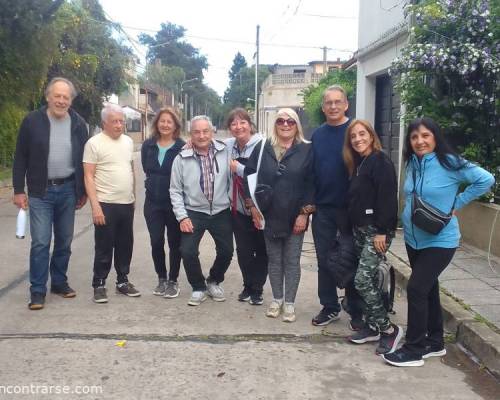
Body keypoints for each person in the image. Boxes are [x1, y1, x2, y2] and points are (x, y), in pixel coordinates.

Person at [383, 117, 494, 367]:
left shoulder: (450, 162)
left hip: (441, 240)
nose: (419, 141)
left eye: (425, 136)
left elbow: (486, 179)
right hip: (414, 239)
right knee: (429, 290)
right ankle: (435, 342)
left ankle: (414, 349)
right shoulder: (412, 162)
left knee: (416, 289)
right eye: (414, 137)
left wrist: (458, 203)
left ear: (435, 137)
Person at [12, 77, 88, 310]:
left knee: (64, 241)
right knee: (41, 242)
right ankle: (37, 290)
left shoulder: (78, 123)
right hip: (39, 191)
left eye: (66, 97)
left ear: (71, 100)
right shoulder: (32, 121)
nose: (61, 101)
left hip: (67, 190)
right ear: (48, 97)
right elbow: (20, 157)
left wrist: (82, 190)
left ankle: (59, 282)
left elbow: (84, 159)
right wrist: (18, 190)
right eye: (57, 96)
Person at [245, 108, 314, 322]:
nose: (285, 125)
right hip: (269, 214)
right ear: (275, 124)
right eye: (281, 121)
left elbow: (312, 184)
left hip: (295, 214)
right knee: (274, 260)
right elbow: (249, 176)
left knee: (292, 260)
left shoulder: (306, 150)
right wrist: (253, 209)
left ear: (296, 125)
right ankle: (276, 299)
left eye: (290, 122)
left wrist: (304, 214)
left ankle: (290, 304)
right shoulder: (263, 147)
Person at [342, 119, 403, 354]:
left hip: (376, 232)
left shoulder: (380, 161)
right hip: (360, 231)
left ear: (371, 135)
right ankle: (372, 326)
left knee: (362, 280)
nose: (358, 139)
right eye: (353, 137)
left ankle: (389, 330)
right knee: (369, 280)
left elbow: (387, 198)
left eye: (362, 134)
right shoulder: (360, 162)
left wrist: (382, 231)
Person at [310, 85, 364, 328]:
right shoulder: (318, 135)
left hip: (351, 210)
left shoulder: (355, 133)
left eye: (337, 102)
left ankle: (355, 309)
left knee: (351, 259)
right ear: (323, 108)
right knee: (324, 260)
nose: (333, 106)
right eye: (328, 103)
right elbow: (311, 171)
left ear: (346, 105)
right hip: (323, 209)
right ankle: (329, 306)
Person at [170, 115, 233, 306]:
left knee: (227, 251)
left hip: (221, 211)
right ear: (191, 135)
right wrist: (182, 217)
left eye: (205, 131)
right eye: (196, 132)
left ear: (212, 132)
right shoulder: (181, 158)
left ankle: (214, 280)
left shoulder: (225, 151)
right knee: (187, 251)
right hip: (194, 212)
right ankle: (198, 287)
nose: (202, 135)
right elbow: (175, 190)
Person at [83, 104, 140, 303]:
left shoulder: (127, 142)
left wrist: (133, 196)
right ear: (104, 123)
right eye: (114, 121)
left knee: (125, 244)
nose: (119, 125)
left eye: (121, 121)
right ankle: (99, 283)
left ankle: (122, 281)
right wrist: (95, 206)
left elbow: (130, 169)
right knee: (104, 246)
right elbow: (88, 177)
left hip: (126, 203)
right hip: (105, 203)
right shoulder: (94, 143)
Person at [225, 108, 268, 305]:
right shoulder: (229, 146)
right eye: (234, 123)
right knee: (243, 250)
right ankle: (247, 285)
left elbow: (265, 175)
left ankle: (257, 289)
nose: (238, 127)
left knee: (262, 249)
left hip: (259, 209)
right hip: (238, 209)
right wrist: (189, 142)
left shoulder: (263, 145)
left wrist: (240, 168)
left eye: (242, 122)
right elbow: (206, 142)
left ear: (250, 125)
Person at [141, 107, 185, 298]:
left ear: (175, 125)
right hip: (152, 204)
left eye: (169, 122)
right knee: (156, 241)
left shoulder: (182, 147)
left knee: (175, 243)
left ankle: (173, 281)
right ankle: (161, 278)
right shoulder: (148, 145)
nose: (165, 125)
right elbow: (146, 168)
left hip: (174, 204)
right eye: (162, 121)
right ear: (157, 123)